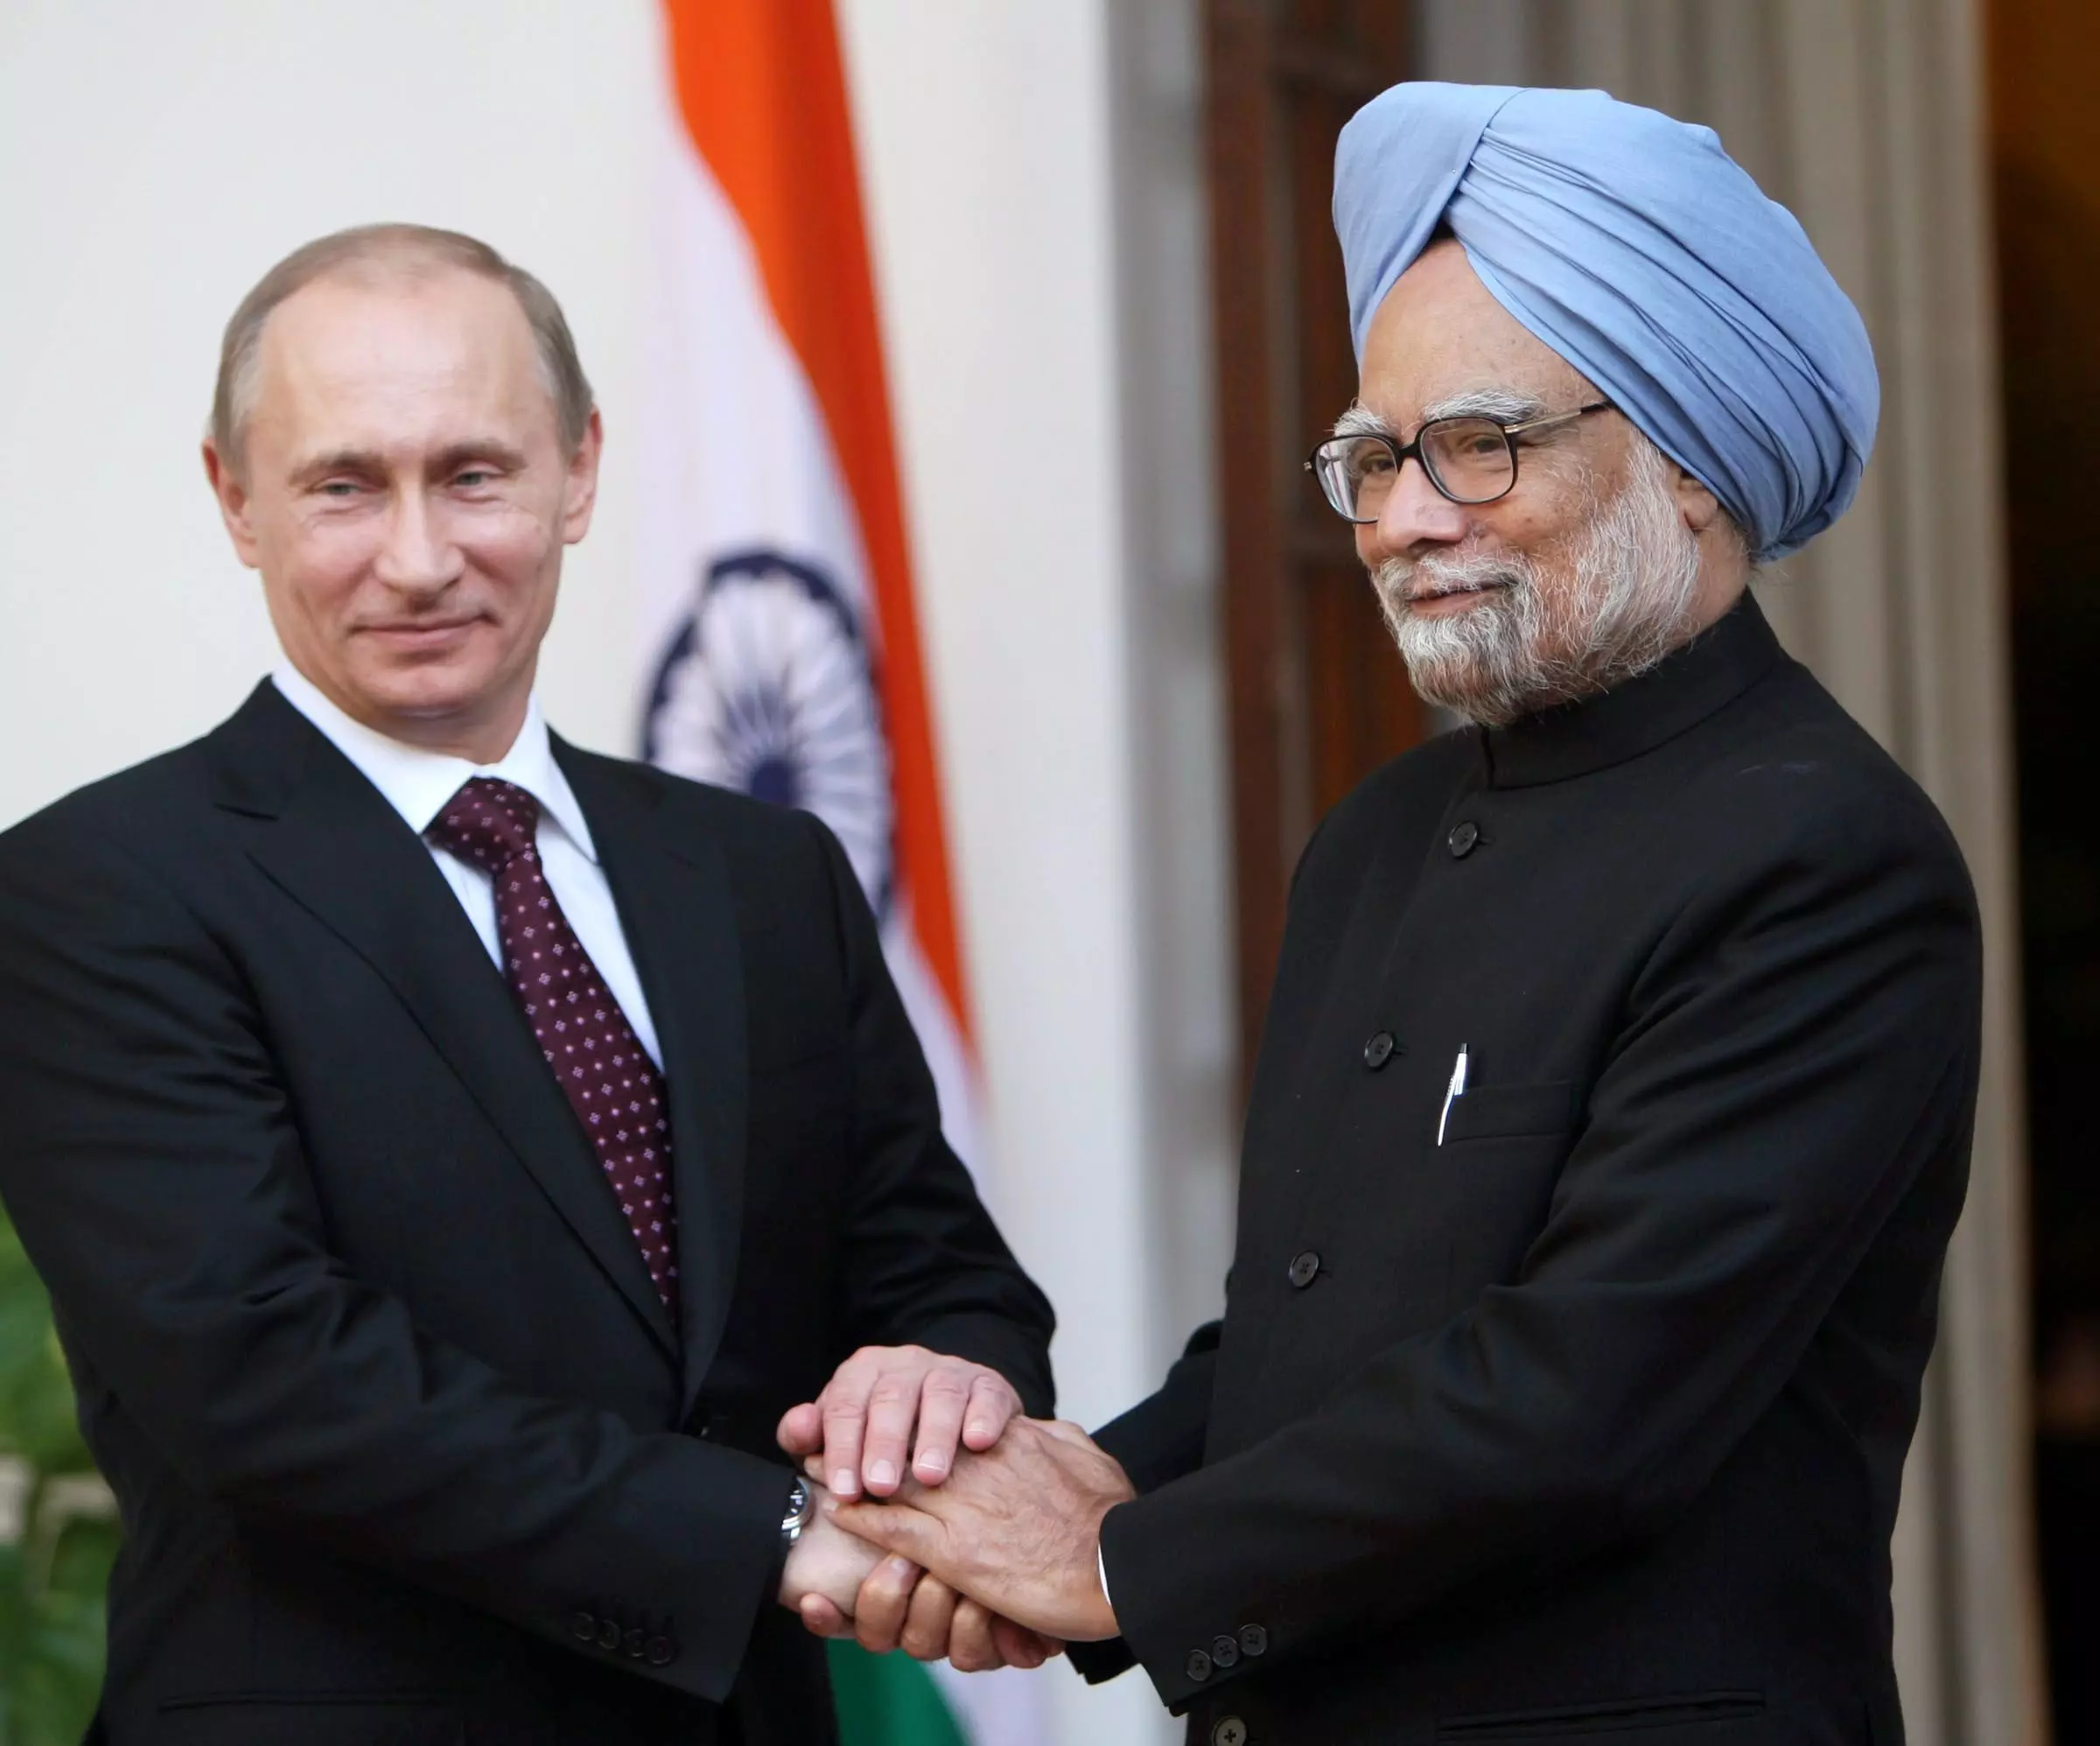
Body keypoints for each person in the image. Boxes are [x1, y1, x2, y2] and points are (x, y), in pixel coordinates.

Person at [817, 83, 1980, 1746]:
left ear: (1696, 464)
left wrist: (1114, 1557)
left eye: (1478, 445)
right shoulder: (1374, 839)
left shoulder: (1828, 857)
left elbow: (1589, 1398)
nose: (1406, 519)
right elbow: (1304, 1344)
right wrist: (1061, 1489)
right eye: (1374, 457)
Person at [0, 223, 1054, 1746]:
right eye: (345, 484)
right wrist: (765, 1534)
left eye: (476, 473)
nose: (420, 556)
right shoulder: (95, 893)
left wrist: (938, 1389)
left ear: (579, 469)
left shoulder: (763, 875)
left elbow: (943, 1271)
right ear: (237, 500)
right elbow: (266, 1381)